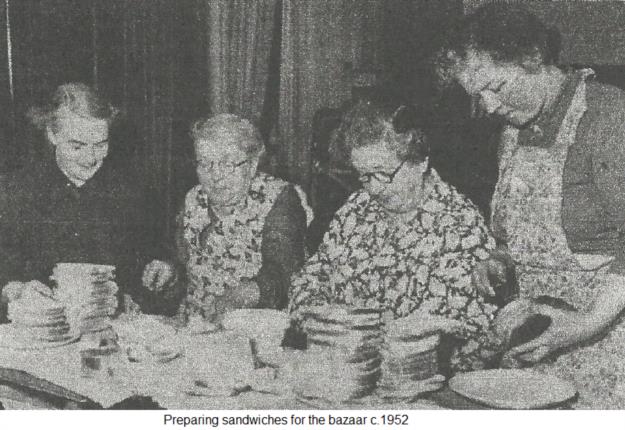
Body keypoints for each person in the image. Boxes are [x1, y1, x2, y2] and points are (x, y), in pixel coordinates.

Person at [435, 3, 625, 408]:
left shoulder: (607, 117)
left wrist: (587, 323)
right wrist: (499, 261)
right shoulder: (512, 133)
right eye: (477, 95)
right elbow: (519, 234)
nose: (487, 106)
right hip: (537, 341)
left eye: (497, 87)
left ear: (534, 58)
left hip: (608, 343)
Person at [289, 100, 503, 373]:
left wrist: (366, 338)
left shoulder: (460, 225)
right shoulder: (358, 207)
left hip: (418, 380)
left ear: (421, 161)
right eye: (365, 176)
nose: (375, 189)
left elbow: (467, 337)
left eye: (384, 174)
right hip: (344, 367)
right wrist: (317, 318)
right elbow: (312, 274)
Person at [0, 83, 178, 318]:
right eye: (77, 146)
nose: (91, 158)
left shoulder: (133, 189)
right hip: (41, 333)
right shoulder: (13, 191)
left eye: (101, 145)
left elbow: (155, 256)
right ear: (52, 135)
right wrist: (14, 290)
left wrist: (164, 269)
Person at [176, 113, 311, 326]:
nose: (216, 175)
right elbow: (183, 262)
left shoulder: (279, 198)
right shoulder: (193, 198)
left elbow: (283, 270)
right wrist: (168, 272)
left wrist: (239, 296)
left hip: (256, 328)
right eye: (205, 164)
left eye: (227, 164)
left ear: (252, 164)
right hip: (198, 327)